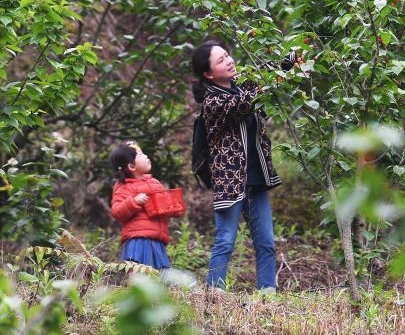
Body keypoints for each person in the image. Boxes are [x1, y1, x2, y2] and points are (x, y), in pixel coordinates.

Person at [191, 39, 295, 292]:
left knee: (266, 242)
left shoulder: (241, 88)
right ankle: (214, 293)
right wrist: (279, 70)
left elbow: (262, 84)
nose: (229, 61)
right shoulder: (213, 103)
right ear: (208, 74)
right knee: (225, 240)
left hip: (256, 177)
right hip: (230, 181)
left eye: (227, 56)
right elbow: (247, 102)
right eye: (221, 60)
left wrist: (289, 64)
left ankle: (267, 293)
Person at [110, 142, 177, 271]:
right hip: (138, 239)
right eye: (140, 154)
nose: (146, 156)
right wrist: (134, 201)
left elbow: (166, 205)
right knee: (138, 272)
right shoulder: (124, 186)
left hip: (157, 238)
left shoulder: (155, 183)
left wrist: (173, 208)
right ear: (131, 166)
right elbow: (117, 212)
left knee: (158, 273)